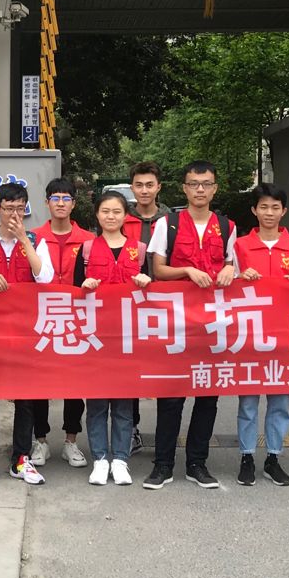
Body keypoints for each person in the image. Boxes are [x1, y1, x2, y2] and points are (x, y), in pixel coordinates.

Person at [146, 161, 237, 490]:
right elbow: (158, 270)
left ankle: (197, 463)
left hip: (213, 323)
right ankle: (163, 464)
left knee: (208, 396)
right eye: (194, 184)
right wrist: (186, 271)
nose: (200, 189)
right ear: (184, 188)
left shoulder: (227, 227)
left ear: (215, 188)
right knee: (171, 395)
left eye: (206, 184)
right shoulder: (167, 224)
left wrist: (230, 269)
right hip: (176, 322)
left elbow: (231, 265)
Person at [0, 181, 54, 486]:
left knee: (25, 398)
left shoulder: (36, 241)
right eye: (8, 208)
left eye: (20, 208)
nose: (14, 214)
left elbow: (45, 279)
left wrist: (24, 241)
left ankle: (21, 458)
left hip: (26, 332)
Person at [232, 183, 289, 488]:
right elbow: (227, 283)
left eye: (275, 207)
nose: (269, 213)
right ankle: (247, 456)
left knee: (280, 401)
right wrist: (239, 277)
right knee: (248, 401)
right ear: (254, 210)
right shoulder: (240, 246)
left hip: (284, 335)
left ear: (284, 211)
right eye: (263, 207)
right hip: (250, 334)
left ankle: (273, 458)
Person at [75, 191, 150, 486]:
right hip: (95, 337)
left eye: (116, 211)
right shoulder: (86, 250)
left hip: (128, 338)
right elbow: (71, 292)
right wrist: (84, 285)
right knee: (96, 404)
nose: (110, 216)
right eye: (105, 211)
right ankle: (100, 459)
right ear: (97, 214)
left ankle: (120, 459)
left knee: (123, 403)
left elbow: (152, 295)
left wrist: (146, 282)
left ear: (125, 216)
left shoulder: (139, 250)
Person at [31, 176, 93, 469]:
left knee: (75, 381)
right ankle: (40, 440)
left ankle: (71, 440)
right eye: (54, 198)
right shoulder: (34, 238)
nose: (60, 203)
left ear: (73, 204)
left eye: (65, 198)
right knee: (39, 382)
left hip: (77, 318)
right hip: (42, 317)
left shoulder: (89, 240)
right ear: (46, 203)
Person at [122, 162, 173, 452]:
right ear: (132, 187)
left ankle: (165, 435)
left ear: (158, 187)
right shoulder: (121, 217)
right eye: (139, 185)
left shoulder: (171, 220)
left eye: (149, 185)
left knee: (164, 369)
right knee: (130, 370)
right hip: (128, 304)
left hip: (164, 304)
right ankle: (131, 429)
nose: (144, 190)